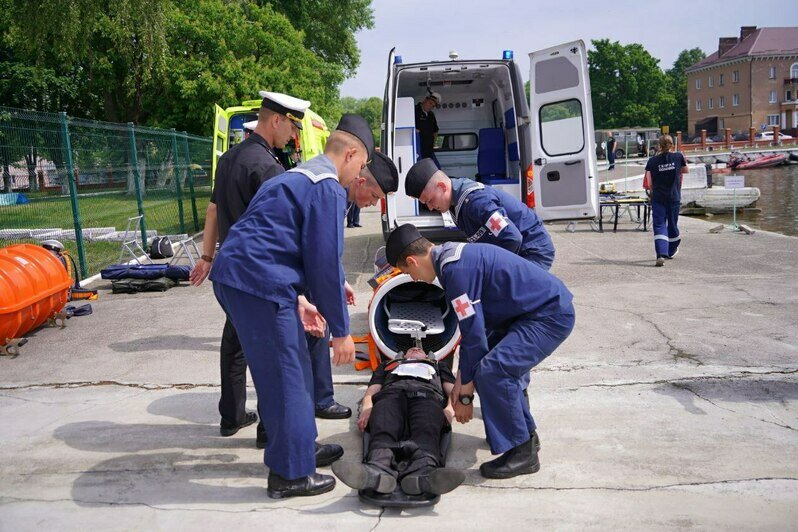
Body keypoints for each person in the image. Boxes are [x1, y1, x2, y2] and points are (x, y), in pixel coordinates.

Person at [209, 114, 374, 499]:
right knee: (287, 378)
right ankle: (290, 473)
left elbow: (275, 238)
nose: (358, 175)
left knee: (292, 371)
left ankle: (301, 448)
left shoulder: (297, 175)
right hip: (256, 284)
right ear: (350, 154)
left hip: (252, 280)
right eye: (361, 165)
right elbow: (323, 264)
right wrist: (342, 333)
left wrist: (297, 299)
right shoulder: (327, 188)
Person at [384, 224, 575, 479]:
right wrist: (463, 378)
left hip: (548, 315)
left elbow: (474, 336)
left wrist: (465, 397)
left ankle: (522, 452)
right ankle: (525, 437)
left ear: (411, 260)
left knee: (494, 371)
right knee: (491, 366)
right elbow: (473, 333)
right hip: (528, 314)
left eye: (408, 272)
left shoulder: (454, 272)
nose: (413, 279)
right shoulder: (450, 258)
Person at [189, 91, 316, 447]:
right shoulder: (268, 168)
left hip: (228, 274)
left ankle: (231, 416)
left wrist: (208, 257)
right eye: (292, 126)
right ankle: (268, 429)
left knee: (235, 341)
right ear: (276, 120)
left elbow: (213, 211)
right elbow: (281, 230)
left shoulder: (229, 159)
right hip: (258, 275)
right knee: (269, 351)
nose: (293, 136)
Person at [332, 347, 465, 496]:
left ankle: (423, 474)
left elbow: (452, 392)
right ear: (403, 355)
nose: (415, 348)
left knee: (426, 430)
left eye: (420, 349)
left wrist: (449, 409)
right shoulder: (388, 365)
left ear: (427, 355)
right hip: (390, 396)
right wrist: (367, 408)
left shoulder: (437, 366)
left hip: (427, 397)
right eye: (411, 349)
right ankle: (377, 472)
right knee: (383, 428)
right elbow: (371, 391)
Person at [405, 158, 555, 270]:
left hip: (532, 250)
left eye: (430, 200)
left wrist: (493, 269)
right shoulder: (454, 204)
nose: (430, 207)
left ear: (442, 186)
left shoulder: (476, 202)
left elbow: (512, 238)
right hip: (520, 249)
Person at [643, 134, 688, 267]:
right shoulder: (678, 157)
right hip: (674, 197)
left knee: (659, 225)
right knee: (672, 225)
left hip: (658, 198)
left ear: (659, 146)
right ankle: (671, 250)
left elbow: (650, 183)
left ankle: (661, 254)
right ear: (671, 145)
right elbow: (686, 170)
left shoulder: (652, 161)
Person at [415, 90, 441, 168]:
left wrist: (433, 144)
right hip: (419, 149)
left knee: (437, 169)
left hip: (429, 149)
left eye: (433, 106)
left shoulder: (431, 115)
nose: (430, 107)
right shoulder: (415, 111)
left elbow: (435, 130)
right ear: (425, 100)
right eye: (430, 103)